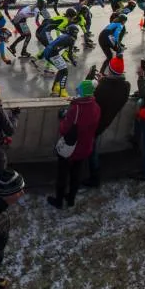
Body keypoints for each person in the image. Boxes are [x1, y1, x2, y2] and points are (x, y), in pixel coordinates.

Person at [48, 78, 100, 209]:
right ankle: (71, 199)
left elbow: (64, 129)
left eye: (79, 89)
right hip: (85, 147)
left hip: (70, 149)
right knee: (76, 175)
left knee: (62, 175)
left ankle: (59, 201)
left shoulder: (76, 109)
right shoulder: (96, 107)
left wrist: (63, 117)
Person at [85, 57, 130, 186]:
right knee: (92, 147)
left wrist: (92, 79)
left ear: (109, 69)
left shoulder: (103, 88)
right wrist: (103, 80)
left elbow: (89, 97)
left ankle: (94, 178)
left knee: (91, 149)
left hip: (94, 123)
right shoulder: (125, 86)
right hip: (106, 121)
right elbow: (113, 91)